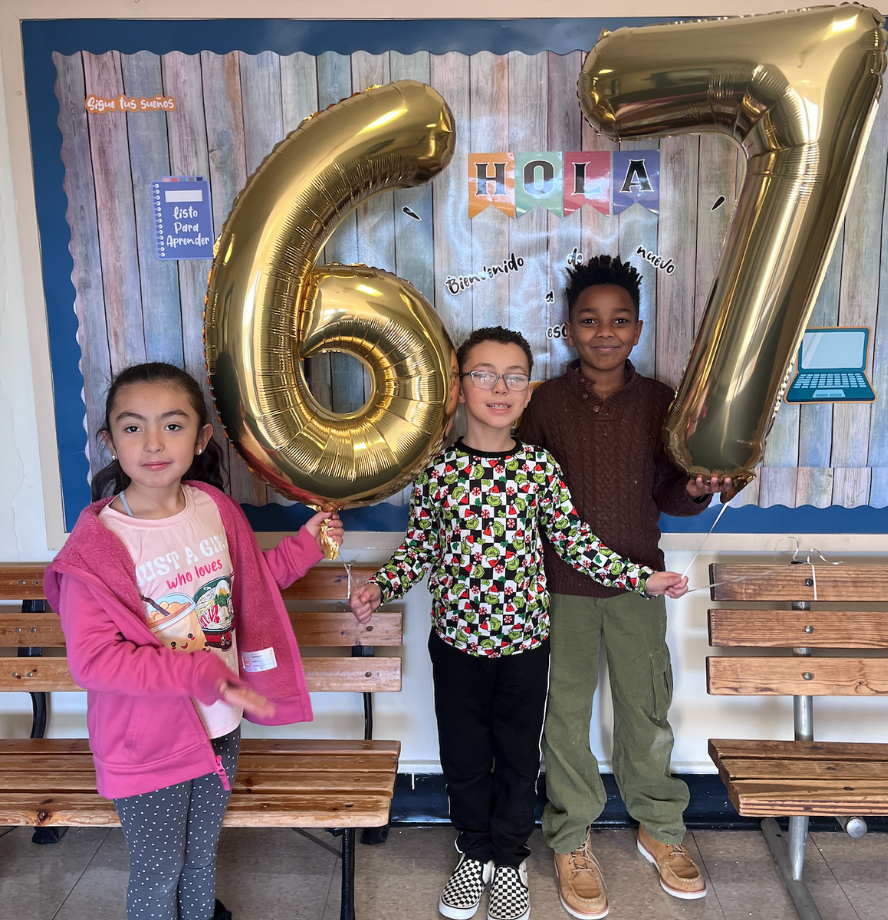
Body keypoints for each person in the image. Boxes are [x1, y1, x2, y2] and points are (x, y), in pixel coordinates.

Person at [349, 327, 688, 920]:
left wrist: (641, 578)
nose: (498, 388)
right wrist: (380, 587)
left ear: (528, 392)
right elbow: (418, 552)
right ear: (458, 388)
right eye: (483, 374)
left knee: (516, 754)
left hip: (527, 645)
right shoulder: (438, 470)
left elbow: (576, 544)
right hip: (456, 645)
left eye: (513, 376)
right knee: (463, 756)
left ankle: (508, 859)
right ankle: (473, 851)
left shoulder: (539, 469)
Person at [44, 362, 343, 920]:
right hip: (147, 747)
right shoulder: (96, 546)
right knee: (158, 878)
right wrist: (197, 671)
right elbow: (94, 662)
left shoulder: (213, 508)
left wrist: (305, 547)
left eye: (173, 425)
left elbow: (245, 588)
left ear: (202, 436)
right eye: (133, 428)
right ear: (110, 441)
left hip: (219, 729)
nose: (153, 443)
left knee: (201, 860)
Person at [517, 255, 731, 915]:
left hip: (642, 584)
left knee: (646, 709)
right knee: (566, 715)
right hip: (561, 589)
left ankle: (661, 828)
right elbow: (522, 490)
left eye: (618, 321)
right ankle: (571, 835)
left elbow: (670, 488)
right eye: (588, 320)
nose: (603, 332)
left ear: (637, 330)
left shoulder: (662, 401)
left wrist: (694, 488)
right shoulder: (545, 403)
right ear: (568, 330)